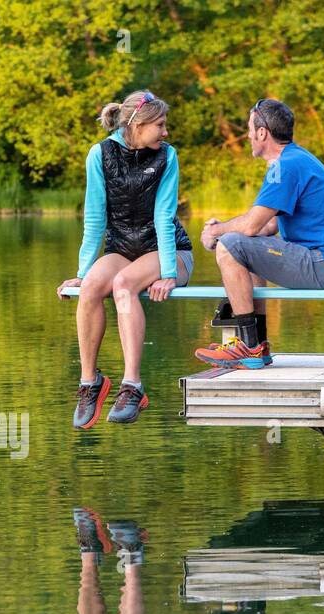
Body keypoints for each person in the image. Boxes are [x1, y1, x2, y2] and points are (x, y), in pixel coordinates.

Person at [56, 90, 195, 427]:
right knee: (90, 288)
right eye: (160, 125)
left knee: (123, 284)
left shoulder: (167, 156)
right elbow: (94, 218)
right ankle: (90, 382)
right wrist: (83, 272)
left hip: (170, 252)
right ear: (138, 123)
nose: (165, 132)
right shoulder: (99, 155)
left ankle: (132, 385)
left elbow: (164, 217)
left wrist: (167, 272)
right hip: (123, 249)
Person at [194, 98, 324, 370]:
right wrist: (226, 228)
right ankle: (257, 343)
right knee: (244, 245)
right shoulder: (295, 159)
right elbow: (267, 226)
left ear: (262, 132)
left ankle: (247, 346)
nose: (247, 135)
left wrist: (216, 231)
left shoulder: (285, 166)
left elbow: (250, 226)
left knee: (229, 244)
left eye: (249, 129)